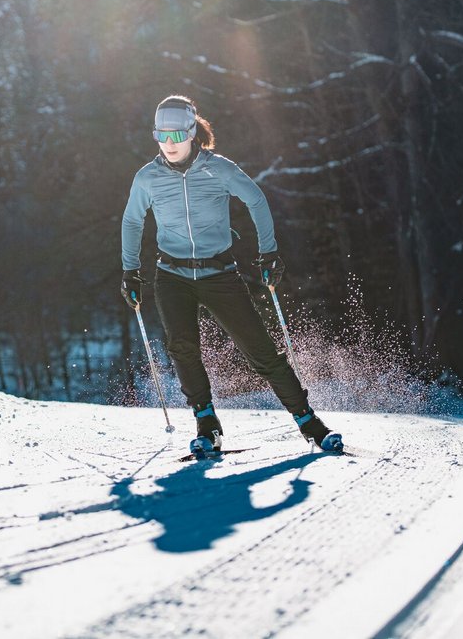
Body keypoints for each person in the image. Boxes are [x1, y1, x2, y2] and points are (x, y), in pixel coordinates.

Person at [120, 95, 343, 455]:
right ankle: (207, 424)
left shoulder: (218, 168)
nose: (169, 143)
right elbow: (132, 220)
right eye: (161, 135)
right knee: (182, 348)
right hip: (172, 275)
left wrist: (268, 251)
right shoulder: (147, 177)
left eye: (177, 135)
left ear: (192, 132)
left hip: (219, 274)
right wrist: (130, 271)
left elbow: (255, 200)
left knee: (261, 352)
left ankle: (309, 422)